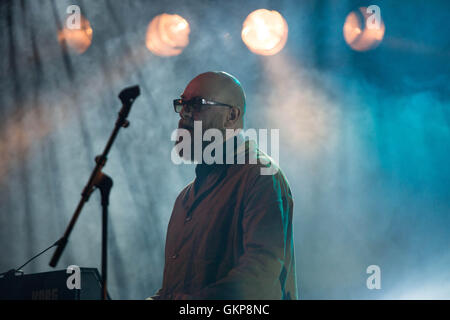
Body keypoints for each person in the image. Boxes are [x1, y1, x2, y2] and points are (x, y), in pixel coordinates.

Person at [150, 71, 297, 299]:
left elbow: (258, 278)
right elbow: (175, 289)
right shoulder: (185, 198)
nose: (184, 114)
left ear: (232, 115)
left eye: (197, 104)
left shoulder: (261, 176)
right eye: (183, 104)